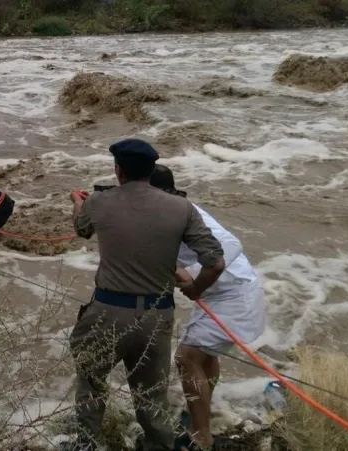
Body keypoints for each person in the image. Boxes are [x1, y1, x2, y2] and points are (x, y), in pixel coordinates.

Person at [68, 138, 226, 451]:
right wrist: (195, 289)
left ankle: (88, 445)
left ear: (118, 170)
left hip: (107, 311)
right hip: (156, 315)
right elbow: (215, 262)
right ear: (151, 170)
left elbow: (81, 228)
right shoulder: (182, 208)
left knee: (91, 385)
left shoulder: (99, 201)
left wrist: (77, 202)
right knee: (152, 395)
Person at [150, 164, 267, 451]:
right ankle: (200, 416)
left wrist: (195, 284)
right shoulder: (164, 210)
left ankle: (201, 436)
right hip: (220, 292)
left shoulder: (186, 214)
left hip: (234, 294)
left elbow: (229, 247)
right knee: (204, 356)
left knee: (187, 357)